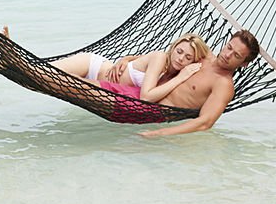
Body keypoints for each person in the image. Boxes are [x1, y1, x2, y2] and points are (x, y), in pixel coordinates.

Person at [139, 29, 260, 138]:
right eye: (229, 47)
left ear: (244, 64)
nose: (228, 55)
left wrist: (159, 133)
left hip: (156, 117)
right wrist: (129, 60)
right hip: (143, 97)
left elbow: (204, 123)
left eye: (236, 55)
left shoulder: (223, 85)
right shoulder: (204, 55)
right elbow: (171, 55)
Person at [53, 33, 211, 104]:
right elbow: (147, 97)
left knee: (42, 80)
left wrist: (127, 59)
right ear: (173, 47)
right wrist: (181, 77)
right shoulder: (161, 58)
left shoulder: (170, 75)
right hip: (92, 66)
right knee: (39, 73)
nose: (181, 58)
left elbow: (141, 60)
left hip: (95, 86)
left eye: (188, 58)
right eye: (179, 51)